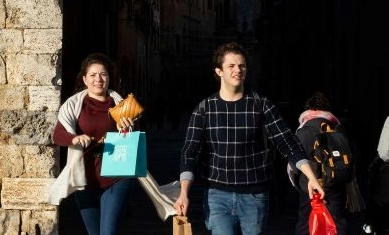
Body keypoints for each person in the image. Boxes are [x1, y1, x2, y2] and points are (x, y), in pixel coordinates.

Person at [173, 43, 326, 235]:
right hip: (217, 196)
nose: (238, 70)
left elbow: (288, 143)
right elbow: (189, 153)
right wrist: (183, 194)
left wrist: (311, 177)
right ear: (219, 71)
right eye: (231, 66)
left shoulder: (261, 105)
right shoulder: (205, 109)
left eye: (242, 65)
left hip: (254, 196)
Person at [50, 53, 136, 235]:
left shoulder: (122, 104)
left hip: (116, 175)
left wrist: (128, 127)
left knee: (108, 232)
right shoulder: (73, 105)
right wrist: (74, 138)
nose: (99, 79)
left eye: (103, 74)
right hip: (84, 178)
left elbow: (134, 140)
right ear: (85, 79)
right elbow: (57, 135)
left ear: (109, 78)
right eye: (93, 75)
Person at [290, 92, 354, 235]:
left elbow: (294, 161)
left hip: (310, 187)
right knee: (337, 224)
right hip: (336, 183)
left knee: (306, 225)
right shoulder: (337, 128)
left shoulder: (305, 130)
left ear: (308, 110)